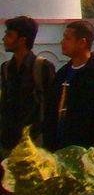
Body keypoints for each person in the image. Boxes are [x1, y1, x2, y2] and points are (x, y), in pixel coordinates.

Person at [44, 19, 94, 150]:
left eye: (67, 38)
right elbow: (51, 113)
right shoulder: (62, 74)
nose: (62, 42)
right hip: (58, 151)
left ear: (82, 42)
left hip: (88, 153)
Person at [1, 14, 55, 152]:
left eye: (9, 35)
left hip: (34, 143)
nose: (4, 39)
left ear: (22, 40)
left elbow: (50, 105)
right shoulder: (6, 68)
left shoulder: (42, 67)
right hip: (9, 141)